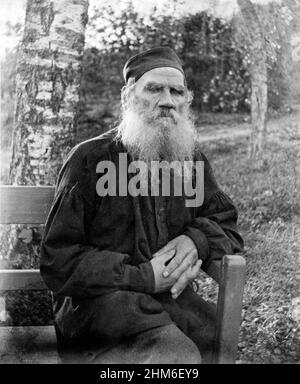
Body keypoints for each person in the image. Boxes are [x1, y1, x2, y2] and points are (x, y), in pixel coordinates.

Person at [40, 47, 244, 364]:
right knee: (175, 356)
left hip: (166, 302)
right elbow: (58, 259)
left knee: (211, 340)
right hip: (100, 307)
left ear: (185, 101)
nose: (167, 100)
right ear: (128, 97)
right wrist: (143, 276)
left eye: (176, 91)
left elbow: (225, 222)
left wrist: (196, 239)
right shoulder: (90, 159)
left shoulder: (190, 160)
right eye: (154, 89)